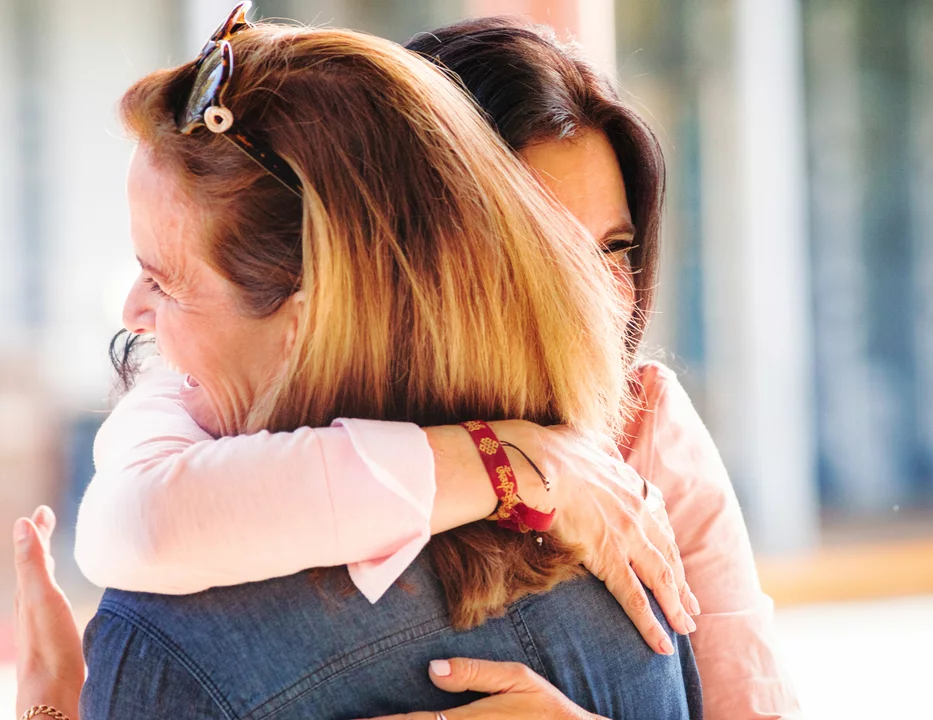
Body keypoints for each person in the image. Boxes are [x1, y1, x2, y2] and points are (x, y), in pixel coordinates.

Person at [65, 14, 798, 720]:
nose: (597, 299)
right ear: (424, 253)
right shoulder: (206, 396)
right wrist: (523, 464)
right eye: (549, 256)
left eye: (614, 248)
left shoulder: (646, 427)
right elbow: (137, 522)